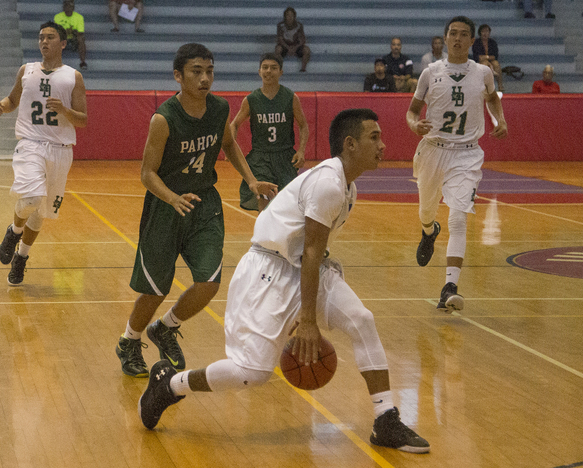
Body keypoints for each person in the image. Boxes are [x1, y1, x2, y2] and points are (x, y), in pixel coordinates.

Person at [138, 108, 431, 454]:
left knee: (361, 320)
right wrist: (308, 320)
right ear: (350, 144)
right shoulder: (329, 185)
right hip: (267, 274)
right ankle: (169, 385)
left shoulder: (346, 187)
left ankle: (386, 419)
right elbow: (308, 251)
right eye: (374, 137)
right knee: (251, 372)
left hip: (303, 268)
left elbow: (310, 250)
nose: (383, 145)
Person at [115, 43, 277, 378]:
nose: (205, 78)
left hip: (204, 205)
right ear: (178, 75)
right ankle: (129, 340)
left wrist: (251, 180)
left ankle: (165, 327)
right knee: (154, 288)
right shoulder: (164, 118)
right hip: (165, 208)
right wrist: (172, 197)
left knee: (209, 282)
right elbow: (147, 173)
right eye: (196, 71)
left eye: (209, 71)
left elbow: (229, 144)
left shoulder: (219, 109)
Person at [405, 16, 507, 312]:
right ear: (445, 38)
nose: (458, 38)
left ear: (472, 41)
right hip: (433, 150)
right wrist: (414, 126)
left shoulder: (483, 72)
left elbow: (492, 98)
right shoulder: (430, 72)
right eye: (453, 34)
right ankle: (428, 231)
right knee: (426, 210)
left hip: (467, 153)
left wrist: (500, 119)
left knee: (459, 217)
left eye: (464, 35)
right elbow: (412, 111)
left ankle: (450, 287)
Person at [0, 21, 87, 286]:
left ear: (62, 43)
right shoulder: (27, 70)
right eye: (41, 37)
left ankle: (21, 258)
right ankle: (13, 233)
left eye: (50, 37)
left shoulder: (74, 76)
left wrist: (65, 110)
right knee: (32, 197)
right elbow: (12, 101)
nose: (44, 42)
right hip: (30, 144)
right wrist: (1, 106)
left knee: (42, 212)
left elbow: (82, 120)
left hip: (60, 150)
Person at [229, 52, 309, 212]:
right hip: (260, 157)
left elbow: (303, 125)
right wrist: (230, 148)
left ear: (281, 72)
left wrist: (301, 151)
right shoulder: (251, 99)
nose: (268, 71)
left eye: (273, 68)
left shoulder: (290, 97)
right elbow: (234, 124)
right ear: (259, 71)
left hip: (284, 156)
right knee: (264, 200)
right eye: (265, 67)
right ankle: (262, 236)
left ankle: (282, 237)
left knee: (287, 205)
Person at [53, 0, 87, 70]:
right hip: (62, 38)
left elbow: (80, 32)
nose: (68, 8)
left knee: (81, 39)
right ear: (63, 8)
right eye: (66, 6)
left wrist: (70, 32)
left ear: (73, 8)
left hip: (74, 38)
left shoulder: (79, 17)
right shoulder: (57, 17)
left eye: (70, 7)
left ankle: (83, 62)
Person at [275, 7, 311, 72]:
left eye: (292, 15)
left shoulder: (299, 26)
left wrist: (295, 48)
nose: (290, 17)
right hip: (285, 46)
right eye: (288, 15)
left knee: (307, 50)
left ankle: (303, 69)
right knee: (278, 49)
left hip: (296, 46)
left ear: (294, 16)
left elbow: (302, 40)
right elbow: (280, 39)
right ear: (285, 16)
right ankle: (278, 68)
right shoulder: (280, 25)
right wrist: (288, 48)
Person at [472, 24, 504, 92]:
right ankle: (487, 87)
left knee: (496, 64)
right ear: (480, 33)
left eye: (487, 31)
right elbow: (477, 57)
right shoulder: (476, 42)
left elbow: (495, 56)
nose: (485, 33)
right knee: (485, 64)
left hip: (491, 60)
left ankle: (500, 85)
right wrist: (488, 58)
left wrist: (486, 57)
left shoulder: (493, 42)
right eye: (483, 31)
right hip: (480, 62)